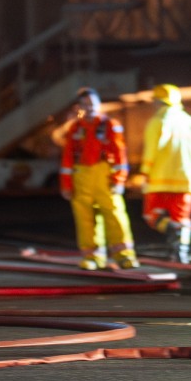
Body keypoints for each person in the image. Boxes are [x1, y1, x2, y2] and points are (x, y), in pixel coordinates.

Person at [59, 87, 138, 270]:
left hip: (104, 176)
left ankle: (124, 255)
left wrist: (119, 179)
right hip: (81, 177)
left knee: (114, 215)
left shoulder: (110, 125)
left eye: (92, 104)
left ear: (99, 105)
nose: (89, 108)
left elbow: (120, 154)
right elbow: (68, 157)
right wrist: (66, 184)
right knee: (85, 219)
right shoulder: (75, 128)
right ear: (79, 107)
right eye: (85, 104)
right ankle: (92, 257)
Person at [140, 84, 191, 263]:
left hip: (159, 179)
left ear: (157, 101)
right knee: (182, 219)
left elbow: (152, 150)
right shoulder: (190, 121)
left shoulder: (158, 121)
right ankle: (180, 253)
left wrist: (145, 172)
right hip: (186, 180)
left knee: (151, 215)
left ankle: (169, 229)